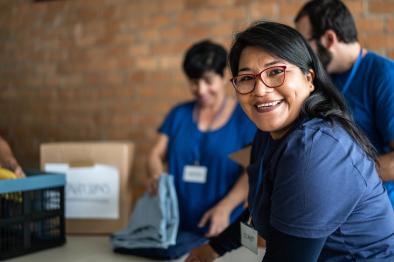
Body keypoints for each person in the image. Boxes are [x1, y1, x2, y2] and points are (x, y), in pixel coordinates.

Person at [185, 21, 394, 262]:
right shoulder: (268, 135)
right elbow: (260, 213)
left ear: (309, 78)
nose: (260, 90)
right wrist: (213, 249)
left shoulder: (315, 148)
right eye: (246, 78)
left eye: (275, 72)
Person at [147, 40, 256, 238]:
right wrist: (156, 175)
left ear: (224, 75)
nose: (201, 89)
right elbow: (156, 153)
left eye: (208, 81)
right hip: (177, 226)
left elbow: (253, 171)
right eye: (194, 82)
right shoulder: (178, 114)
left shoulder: (244, 118)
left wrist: (225, 207)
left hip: (225, 229)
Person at [294, 0, 394, 207]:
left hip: (377, 211)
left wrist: (337, 176)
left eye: (305, 46)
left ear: (329, 38)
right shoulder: (324, 77)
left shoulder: (385, 76)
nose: (302, 57)